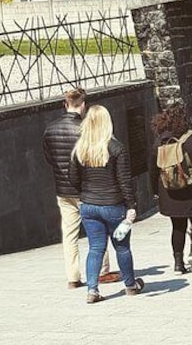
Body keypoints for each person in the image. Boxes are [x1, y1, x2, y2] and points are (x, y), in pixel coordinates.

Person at [43, 88, 119, 288]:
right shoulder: (87, 129)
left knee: (69, 234)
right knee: (98, 231)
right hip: (87, 188)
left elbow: (49, 158)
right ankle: (102, 272)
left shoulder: (50, 129)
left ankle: (73, 277)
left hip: (62, 189)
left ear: (64, 104)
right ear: (84, 105)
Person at [69, 105, 143, 303]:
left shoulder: (79, 149)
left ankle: (92, 290)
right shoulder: (116, 148)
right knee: (122, 247)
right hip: (113, 205)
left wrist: (85, 193)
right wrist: (131, 206)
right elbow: (124, 181)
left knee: (95, 248)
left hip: (89, 205)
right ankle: (130, 285)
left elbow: (73, 179)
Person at [150, 104, 192, 275]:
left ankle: (178, 263)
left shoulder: (161, 141)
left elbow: (153, 168)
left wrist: (155, 191)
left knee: (177, 227)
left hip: (170, 192)